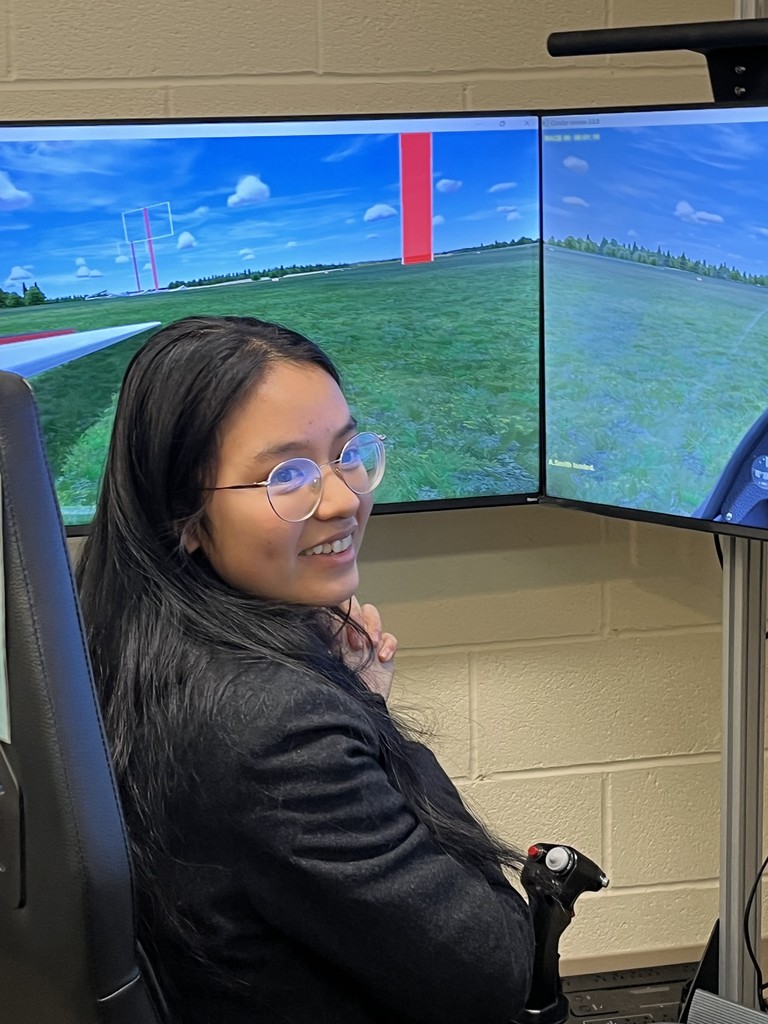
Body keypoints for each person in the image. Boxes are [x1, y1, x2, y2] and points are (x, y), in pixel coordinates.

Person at [76, 314, 534, 1024]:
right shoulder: (275, 729)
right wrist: (377, 722)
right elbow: (496, 971)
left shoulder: (125, 642)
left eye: (349, 452)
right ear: (185, 517)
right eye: (287, 475)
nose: (346, 499)